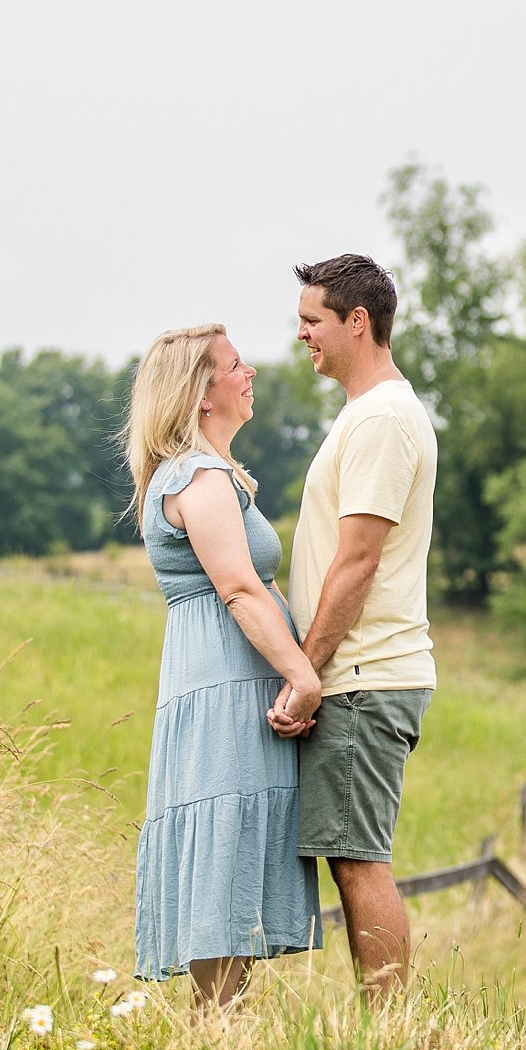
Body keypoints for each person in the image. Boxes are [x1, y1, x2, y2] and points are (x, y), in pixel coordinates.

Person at [125, 324, 323, 1007]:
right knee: (222, 853)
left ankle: (221, 1035)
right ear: (202, 392)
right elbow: (239, 587)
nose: (251, 373)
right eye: (236, 365)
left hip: (218, 679)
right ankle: (216, 1035)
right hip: (223, 685)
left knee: (229, 854)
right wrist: (301, 673)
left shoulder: (200, 473)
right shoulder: (199, 477)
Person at [271, 253, 437, 1002]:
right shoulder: (369, 413)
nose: (300, 333)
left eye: (312, 321)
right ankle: (388, 1025)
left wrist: (307, 671)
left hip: (366, 675)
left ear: (356, 321)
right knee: (352, 854)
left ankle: (393, 1029)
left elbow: (357, 561)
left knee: (359, 858)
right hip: (362, 673)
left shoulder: (382, 419)